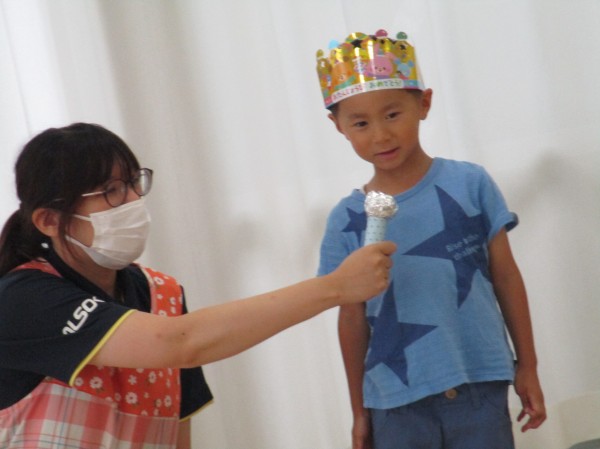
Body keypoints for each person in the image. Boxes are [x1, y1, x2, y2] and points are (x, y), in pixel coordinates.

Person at [0, 122, 396, 449]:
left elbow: (176, 430)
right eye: (111, 192)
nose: (133, 200)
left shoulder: (163, 294)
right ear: (49, 221)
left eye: (133, 183)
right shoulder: (23, 299)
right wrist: (335, 287)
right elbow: (179, 342)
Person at [315, 30, 546, 449]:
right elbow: (350, 319)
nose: (381, 135)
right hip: (394, 404)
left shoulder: (470, 183)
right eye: (361, 123)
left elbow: (506, 277)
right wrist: (359, 411)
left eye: (392, 114)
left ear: (423, 104)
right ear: (338, 126)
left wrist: (527, 364)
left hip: (480, 385)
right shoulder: (345, 220)